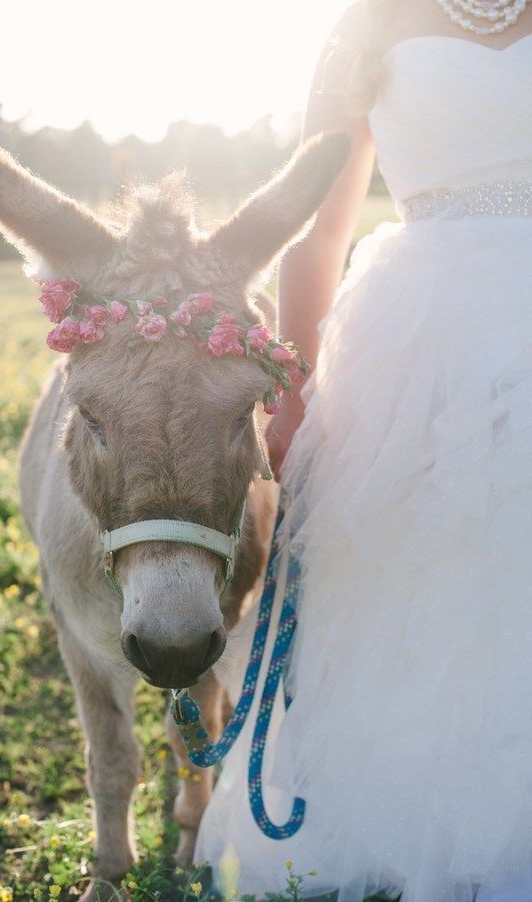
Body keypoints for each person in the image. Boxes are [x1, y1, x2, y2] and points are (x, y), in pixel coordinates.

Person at [194, 0, 532, 899]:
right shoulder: (369, 24)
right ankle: (419, 805)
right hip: (423, 330)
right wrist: (295, 393)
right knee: (416, 567)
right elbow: (318, 230)